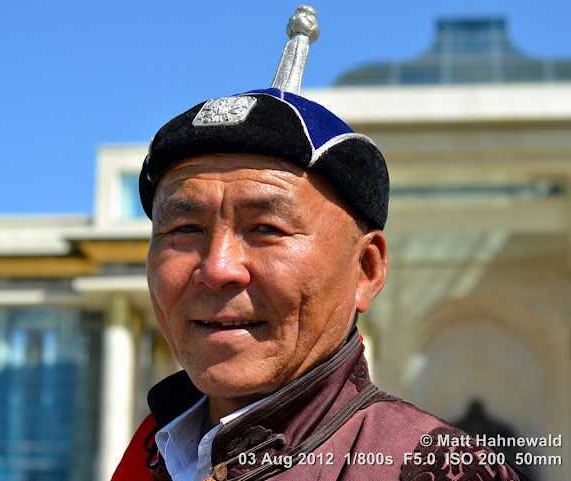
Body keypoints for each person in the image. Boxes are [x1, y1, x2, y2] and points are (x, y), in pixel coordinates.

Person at [113, 6, 529, 481]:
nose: (218, 267)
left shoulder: (427, 469)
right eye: (184, 229)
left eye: (266, 229)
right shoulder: (152, 452)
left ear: (366, 271)